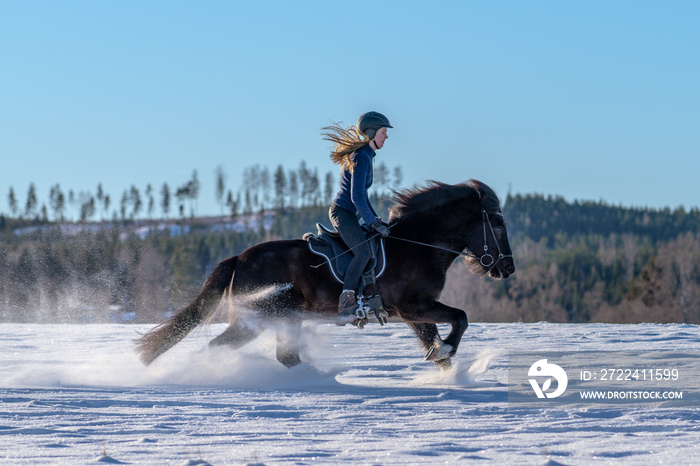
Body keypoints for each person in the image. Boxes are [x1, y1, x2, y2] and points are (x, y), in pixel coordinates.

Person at [322, 111, 393, 325]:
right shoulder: (362, 155)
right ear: (371, 133)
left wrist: (375, 221)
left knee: (369, 252)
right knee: (362, 252)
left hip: (349, 213)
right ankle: (346, 302)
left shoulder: (366, 155)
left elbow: (363, 196)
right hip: (342, 212)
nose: (386, 137)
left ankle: (361, 300)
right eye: (383, 132)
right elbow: (356, 196)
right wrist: (371, 222)